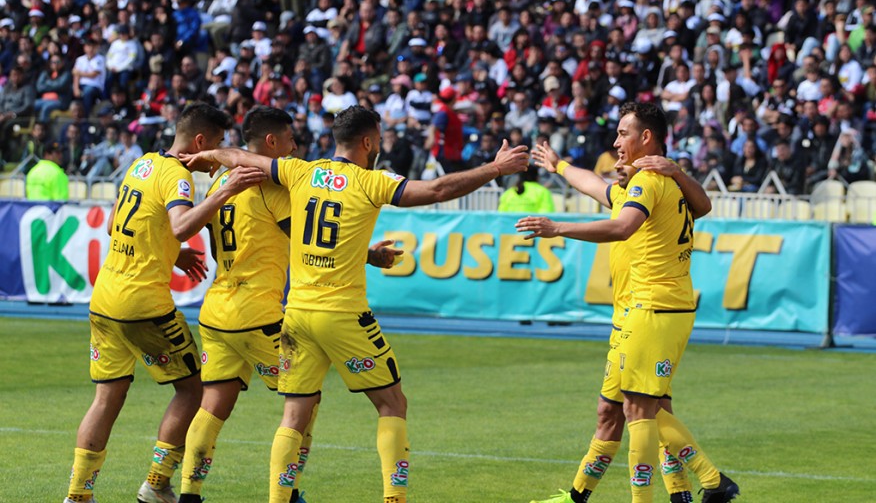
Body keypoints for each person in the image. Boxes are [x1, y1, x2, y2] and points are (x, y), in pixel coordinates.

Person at [180, 105, 529, 503]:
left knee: (294, 413)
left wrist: (208, 154)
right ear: (367, 142)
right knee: (392, 402)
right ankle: (394, 499)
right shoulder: (370, 181)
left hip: (295, 314)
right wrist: (495, 168)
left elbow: (240, 156)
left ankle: (276, 499)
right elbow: (437, 190)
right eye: (377, 141)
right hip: (342, 314)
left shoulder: (299, 172)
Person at [518, 102, 739, 503]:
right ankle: (669, 493)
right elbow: (595, 185)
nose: (616, 145)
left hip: (652, 308)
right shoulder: (646, 185)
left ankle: (709, 482)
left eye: (623, 134)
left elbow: (622, 228)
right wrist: (559, 165)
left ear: (646, 138)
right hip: (642, 310)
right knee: (625, 408)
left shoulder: (649, 182)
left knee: (640, 410)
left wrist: (557, 227)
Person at [178, 106, 401, 503]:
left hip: (215, 309)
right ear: (271, 142)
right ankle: (289, 491)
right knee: (303, 403)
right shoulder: (272, 187)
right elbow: (307, 235)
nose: (295, 147)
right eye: (290, 140)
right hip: (257, 312)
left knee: (213, 405)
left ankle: (188, 494)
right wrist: (369, 256)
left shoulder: (220, 183)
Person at [63, 103, 266, 503]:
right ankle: (156, 484)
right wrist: (226, 190)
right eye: (217, 144)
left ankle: (78, 495)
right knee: (192, 390)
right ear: (200, 142)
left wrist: (172, 253)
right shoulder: (177, 175)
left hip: (104, 299)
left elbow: (115, 224)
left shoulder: (142, 163)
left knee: (106, 397)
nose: (215, 157)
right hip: (143, 304)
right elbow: (181, 225)